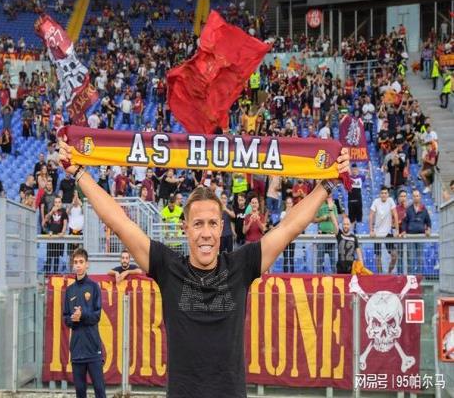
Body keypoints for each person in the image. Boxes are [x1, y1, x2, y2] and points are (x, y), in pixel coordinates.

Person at [58, 137, 349, 398]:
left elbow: (289, 227)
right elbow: (119, 222)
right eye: (198, 224)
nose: (206, 233)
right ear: (185, 228)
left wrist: (329, 183)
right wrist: (79, 173)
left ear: (221, 227)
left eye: (212, 223)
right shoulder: (167, 266)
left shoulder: (242, 265)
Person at [63, 248, 106, 398]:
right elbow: (66, 318)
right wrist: (72, 320)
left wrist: (82, 315)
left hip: (93, 348)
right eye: (75, 262)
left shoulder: (94, 287)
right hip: (77, 350)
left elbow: (97, 316)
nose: (78, 265)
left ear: (87, 264)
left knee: (99, 390)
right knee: (80, 391)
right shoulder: (69, 290)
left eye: (81, 262)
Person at [369, 186, 399, 274]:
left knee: (394, 255)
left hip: (388, 232)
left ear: (388, 194)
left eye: (385, 193)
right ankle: (380, 275)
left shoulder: (390, 201)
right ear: (379, 194)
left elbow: (395, 215)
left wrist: (397, 230)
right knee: (378, 257)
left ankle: (389, 272)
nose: (384, 195)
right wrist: (371, 230)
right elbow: (371, 216)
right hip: (377, 233)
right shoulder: (376, 201)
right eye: (382, 193)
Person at [402, 189, 431, 275]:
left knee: (420, 258)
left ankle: (419, 277)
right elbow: (404, 222)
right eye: (414, 196)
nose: (416, 197)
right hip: (410, 236)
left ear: (420, 197)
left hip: (421, 236)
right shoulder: (408, 209)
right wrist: (403, 231)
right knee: (411, 258)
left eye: (417, 196)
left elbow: (428, 221)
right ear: (412, 197)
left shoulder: (424, 209)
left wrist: (428, 229)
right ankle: (411, 277)